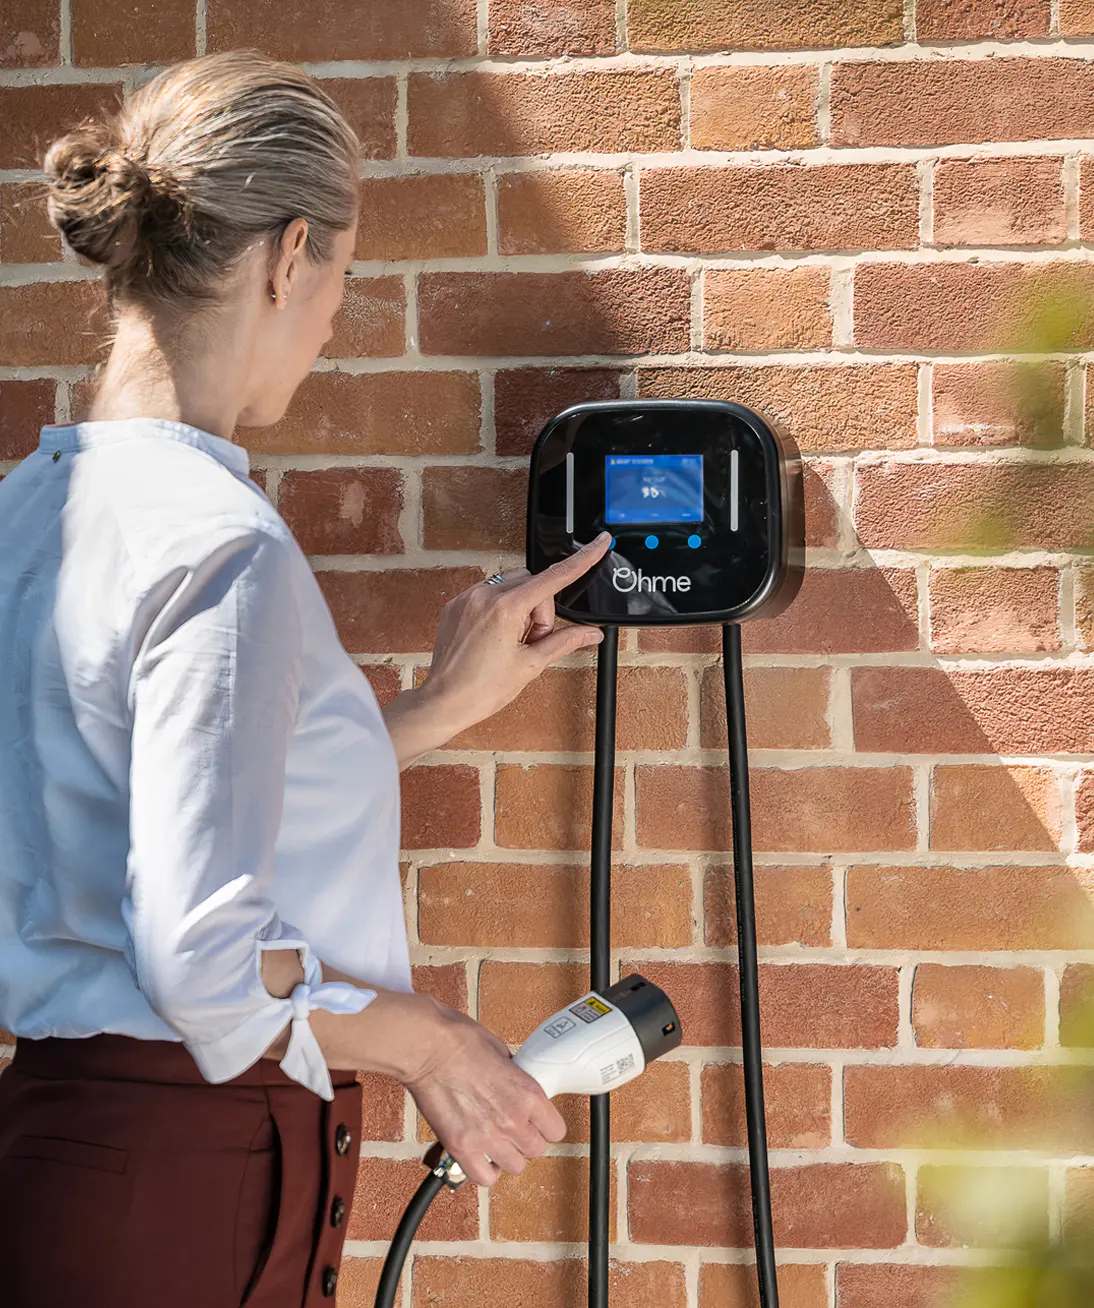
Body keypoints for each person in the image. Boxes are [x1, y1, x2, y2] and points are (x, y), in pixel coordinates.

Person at [0, 50, 609, 1307]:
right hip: (191, 1172)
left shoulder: (26, 511)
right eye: (341, 272)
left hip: (58, 1149)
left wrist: (435, 709)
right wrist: (430, 1042)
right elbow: (198, 957)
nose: (334, 313)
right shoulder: (220, 545)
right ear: (287, 256)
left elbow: (152, 807)